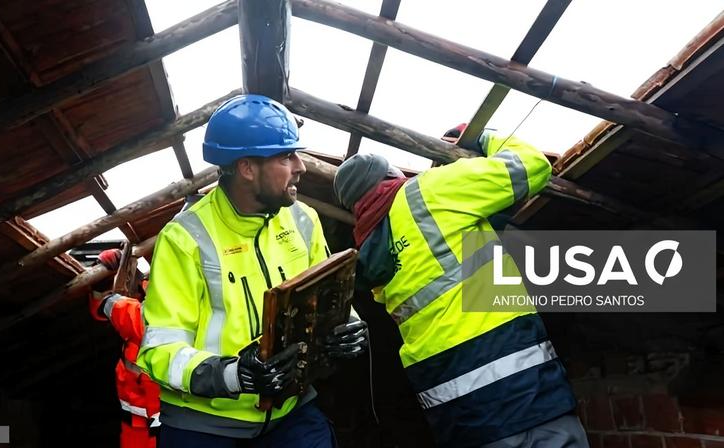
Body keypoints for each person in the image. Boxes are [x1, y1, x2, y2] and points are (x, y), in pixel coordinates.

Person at [137, 94, 368, 447]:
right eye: (286, 156)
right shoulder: (184, 238)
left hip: (290, 411)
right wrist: (234, 374)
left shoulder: (303, 220)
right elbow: (160, 350)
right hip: (203, 426)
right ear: (247, 168)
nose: (301, 166)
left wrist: (346, 324)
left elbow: (328, 296)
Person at [333, 126, 587, 447]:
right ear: (391, 174)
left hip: (457, 416)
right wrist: (484, 135)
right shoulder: (428, 192)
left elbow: (443, 262)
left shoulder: (368, 252)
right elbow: (532, 165)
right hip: (519, 391)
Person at [89, 248, 161, 448]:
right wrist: (102, 273)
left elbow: (104, 301)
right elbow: (101, 303)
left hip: (174, 429)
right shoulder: (134, 312)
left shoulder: (138, 316)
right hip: (137, 431)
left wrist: (103, 284)